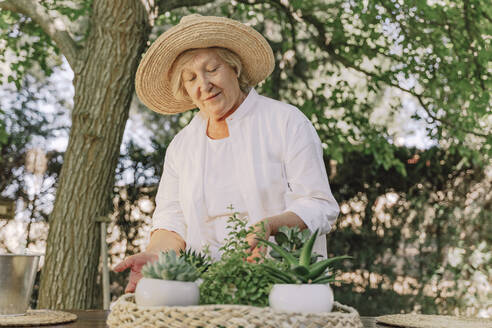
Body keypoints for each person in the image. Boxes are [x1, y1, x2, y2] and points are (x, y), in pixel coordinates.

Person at [114, 14, 339, 293]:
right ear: (184, 89)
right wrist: (156, 255)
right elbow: (171, 218)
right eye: (191, 77)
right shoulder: (182, 146)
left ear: (234, 68)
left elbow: (320, 205)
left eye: (213, 69)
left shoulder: (286, 122)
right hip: (205, 291)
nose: (203, 84)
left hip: (284, 289)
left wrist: (271, 226)